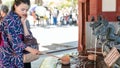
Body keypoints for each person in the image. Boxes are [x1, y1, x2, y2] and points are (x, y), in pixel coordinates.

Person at [0, 0, 40, 68]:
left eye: (26, 10)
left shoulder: (21, 17)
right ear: (15, 6)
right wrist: (31, 50)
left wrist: (24, 23)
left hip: (20, 52)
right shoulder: (9, 19)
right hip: (8, 54)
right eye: (22, 9)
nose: (24, 12)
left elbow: (28, 36)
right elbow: (14, 40)